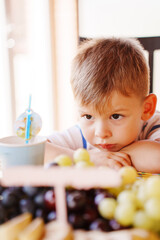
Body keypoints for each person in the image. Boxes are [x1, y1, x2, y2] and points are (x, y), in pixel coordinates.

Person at [45, 37, 160, 173]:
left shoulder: (153, 124)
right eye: (88, 116)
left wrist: (110, 158)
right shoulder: (81, 134)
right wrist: (86, 158)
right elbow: (36, 151)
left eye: (115, 116)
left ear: (146, 108)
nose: (101, 132)